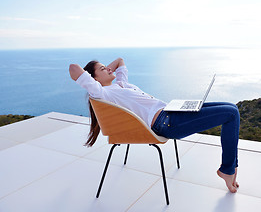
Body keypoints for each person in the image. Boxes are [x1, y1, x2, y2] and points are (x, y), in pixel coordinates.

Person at [69, 58, 241, 193]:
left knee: (232, 107)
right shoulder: (103, 93)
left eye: (107, 66)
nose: (108, 68)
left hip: (171, 111)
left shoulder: (121, 84)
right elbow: (73, 68)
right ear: (94, 80)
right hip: (167, 123)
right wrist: (93, 79)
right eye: (102, 69)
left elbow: (120, 60)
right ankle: (228, 169)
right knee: (231, 114)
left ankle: (230, 167)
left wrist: (105, 70)